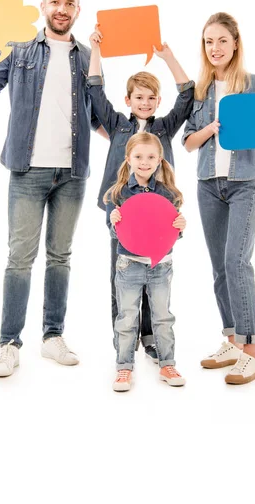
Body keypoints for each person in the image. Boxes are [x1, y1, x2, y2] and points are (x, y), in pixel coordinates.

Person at [0, 0, 108, 377]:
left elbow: (99, 118)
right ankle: (9, 344)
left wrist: (139, 133)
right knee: (20, 259)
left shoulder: (88, 55)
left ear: (78, 10)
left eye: (70, 3)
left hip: (72, 173)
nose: (62, 9)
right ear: (43, 6)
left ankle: (52, 337)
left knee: (61, 257)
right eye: (55, 1)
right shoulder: (19, 48)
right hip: (28, 170)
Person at [87, 25, 194, 363]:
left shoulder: (164, 128)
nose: (145, 103)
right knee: (121, 275)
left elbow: (188, 95)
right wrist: (96, 51)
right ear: (128, 100)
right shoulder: (118, 125)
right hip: (122, 214)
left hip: (160, 215)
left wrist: (167, 57)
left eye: (151, 98)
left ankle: (149, 336)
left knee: (156, 273)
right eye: (139, 97)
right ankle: (125, 339)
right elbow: (94, 91)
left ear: (157, 101)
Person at [182, 11, 255, 384]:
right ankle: (232, 340)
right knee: (220, 266)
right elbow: (187, 142)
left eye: (221, 40)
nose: (215, 48)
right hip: (207, 184)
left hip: (244, 183)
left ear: (235, 43)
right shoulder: (199, 91)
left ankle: (251, 350)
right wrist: (210, 129)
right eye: (208, 41)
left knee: (237, 261)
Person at [105, 133, 186, 391]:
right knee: (127, 317)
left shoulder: (168, 193)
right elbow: (115, 232)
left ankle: (167, 363)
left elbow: (170, 231)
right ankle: (124, 368)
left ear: (159, 160)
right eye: (138, 157)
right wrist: (115, 221)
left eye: (151, 157)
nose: (144, 162)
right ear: (128, 159)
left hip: (161, 265)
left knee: (163, 316)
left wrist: (180, 226)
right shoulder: (117, 193)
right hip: (129, 264)